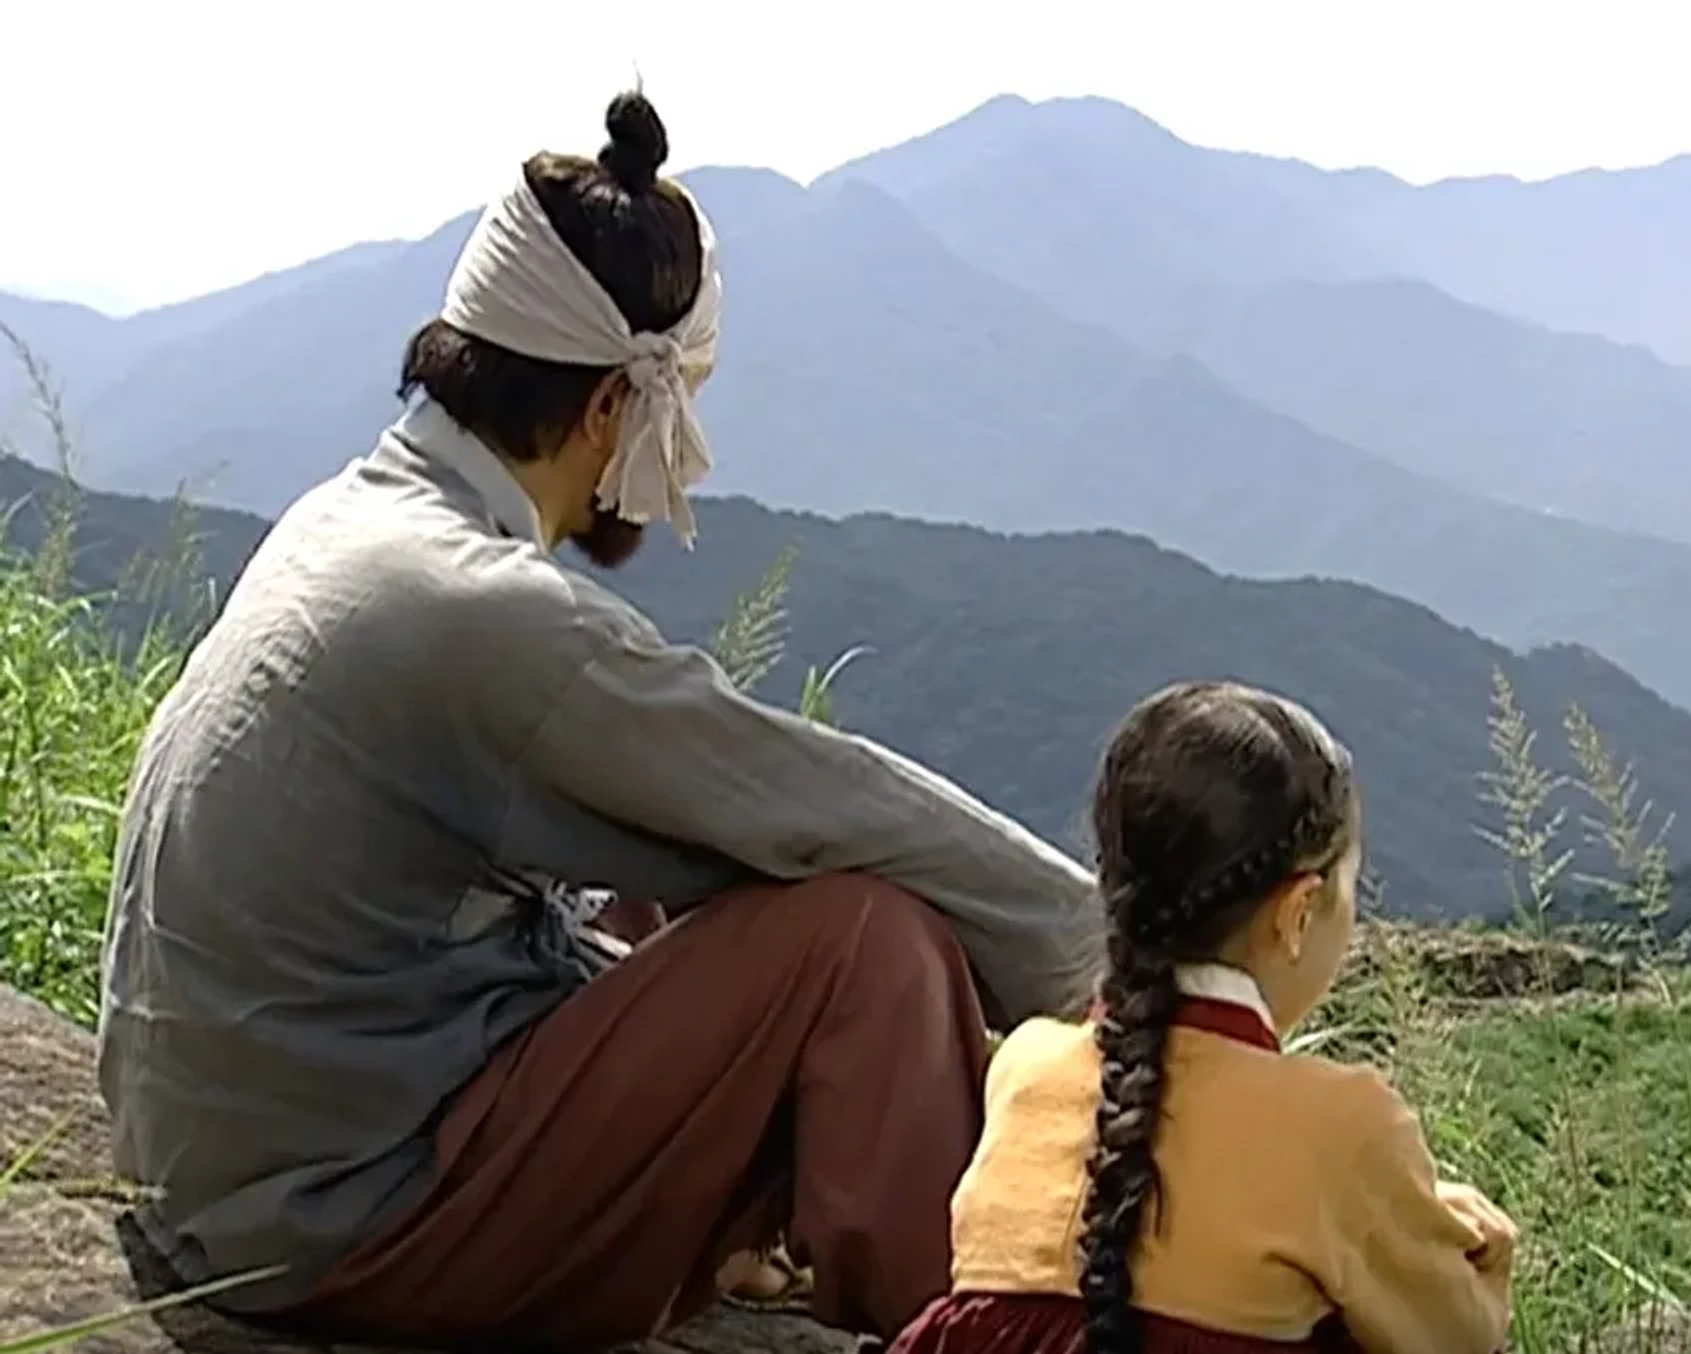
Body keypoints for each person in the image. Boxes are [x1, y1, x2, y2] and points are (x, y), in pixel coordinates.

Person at [95, 85, 1102, 1351]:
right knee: (864, 940)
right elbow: (819, 801)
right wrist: (1116, 957)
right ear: (611, 408)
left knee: (669, 880)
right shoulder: (480, 612)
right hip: (330, 1218)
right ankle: (956, 1326)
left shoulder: (352, 518)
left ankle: (787, 1248)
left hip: (238, 1162)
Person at [888, 681, 1519, 1354]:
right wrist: (1485, 1248)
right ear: (1299, 913)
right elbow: (1458, 1337)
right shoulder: (1344, 1125)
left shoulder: (1025, 1065)